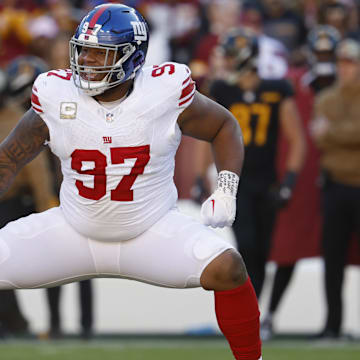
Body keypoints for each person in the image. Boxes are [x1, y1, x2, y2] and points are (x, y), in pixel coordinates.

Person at [0, 4, 262, 359]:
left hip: (150, 230)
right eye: (83, 50)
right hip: (72, 229)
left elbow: (224, 125)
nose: (87, 60)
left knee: (228, 268)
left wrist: (226, 188)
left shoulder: (163, 91)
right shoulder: (55, 94)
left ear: (131, 57)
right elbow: (11, 156)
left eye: (100, 52)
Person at [209, 28, 306, 299]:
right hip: (235, 181)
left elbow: (297, 139)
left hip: (267, 181)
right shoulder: (222, 89)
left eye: (229, 55)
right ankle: (247, 306)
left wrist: (289, 181)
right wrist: (199, 175)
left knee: (262, 250)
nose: (225, 61)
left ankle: (255, 310)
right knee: (247, 245)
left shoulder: (276, 89)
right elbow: (206, 135)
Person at [260, 25, 341, 341]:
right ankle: (269, 316)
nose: (324, 59)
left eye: (327, 54)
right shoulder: (295, 86)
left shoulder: (346, 88)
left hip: (339, 178)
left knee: (336, 256)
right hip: (303, 180)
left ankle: (334, 323)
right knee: (287, 251)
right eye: (319, 53)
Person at [0, 62, 56, 337]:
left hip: (19, 202)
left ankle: (26, 324)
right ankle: (16, 323)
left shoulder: (17, 119)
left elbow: (37, 171)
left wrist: (46, 203)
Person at [311, 38, 360, 339]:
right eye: (341, 63)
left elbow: (337, 134)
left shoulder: (329, 101)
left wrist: (336, 133)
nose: (345, 69)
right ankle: (332, 325)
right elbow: (319, 138)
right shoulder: (326, 97)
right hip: (335, 186)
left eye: (350, 63)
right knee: (333, 260)